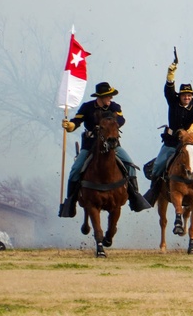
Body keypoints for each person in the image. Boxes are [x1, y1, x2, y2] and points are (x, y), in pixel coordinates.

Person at [59, 81, 150, 217]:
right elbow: (76, 122)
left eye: (111, 96)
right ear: (100, 97)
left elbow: (121, 120)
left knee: (130, 165)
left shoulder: (114, 107)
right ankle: (70, 202)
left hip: (113, 146)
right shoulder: (87, 107)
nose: (110, 99)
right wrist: (70, 125)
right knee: (75, 170)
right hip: (90, 146)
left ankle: (134, 197)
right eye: (108, 96)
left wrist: (109, 124)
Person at [143, 58, 193, 208]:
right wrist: (170, 73)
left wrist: (190, 131)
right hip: (171, 142)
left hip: (190, 144)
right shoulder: (173, 101)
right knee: (158, 165)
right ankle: (152, 195)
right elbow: (168, 89)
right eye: (184, 95)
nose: (187, 97)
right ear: (180, 95)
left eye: (189, 95)